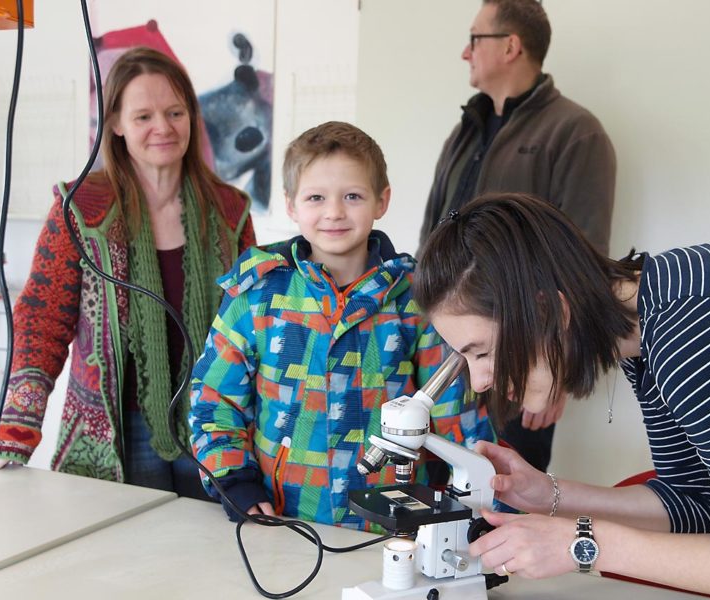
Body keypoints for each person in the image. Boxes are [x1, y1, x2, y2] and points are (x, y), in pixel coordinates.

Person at [414, 193, 710, 599]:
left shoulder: (692, 333)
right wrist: (548, 495)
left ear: (548, 314)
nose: (480, 381)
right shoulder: (649, 319)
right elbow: (691, 502)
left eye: (482, 352)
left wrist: (580, 546)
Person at [0, 47, 257, 500]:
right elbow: (42, 321)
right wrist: (16, 424)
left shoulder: (231, 211)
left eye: (174, 112)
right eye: (143, 116)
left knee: (214, 552)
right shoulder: (79, 209)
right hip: (115, 429)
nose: (163, 128)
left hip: (215, 423)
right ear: (115, 124)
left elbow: (254, 325)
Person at [189, 121, 493, 527]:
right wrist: (235, 481)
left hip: (392, 524)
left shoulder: (417, 299)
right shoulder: (255, 295)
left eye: (352, 196)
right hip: (282, 521)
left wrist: (482, 505)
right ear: (291, 205)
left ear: (381, 201)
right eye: (316, 197)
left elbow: (458, 409)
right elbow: (213, 399)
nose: (334, 212)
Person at [419, 0, 616, 472]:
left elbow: (584, 261)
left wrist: (561, 371)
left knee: (508, 489)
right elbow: (432, 230)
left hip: (525, 349)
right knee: (439, 485)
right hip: (449, 346)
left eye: (474, 40)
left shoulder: (576, 132)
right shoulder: (465, 129)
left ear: (510, 46)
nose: (465, 54)